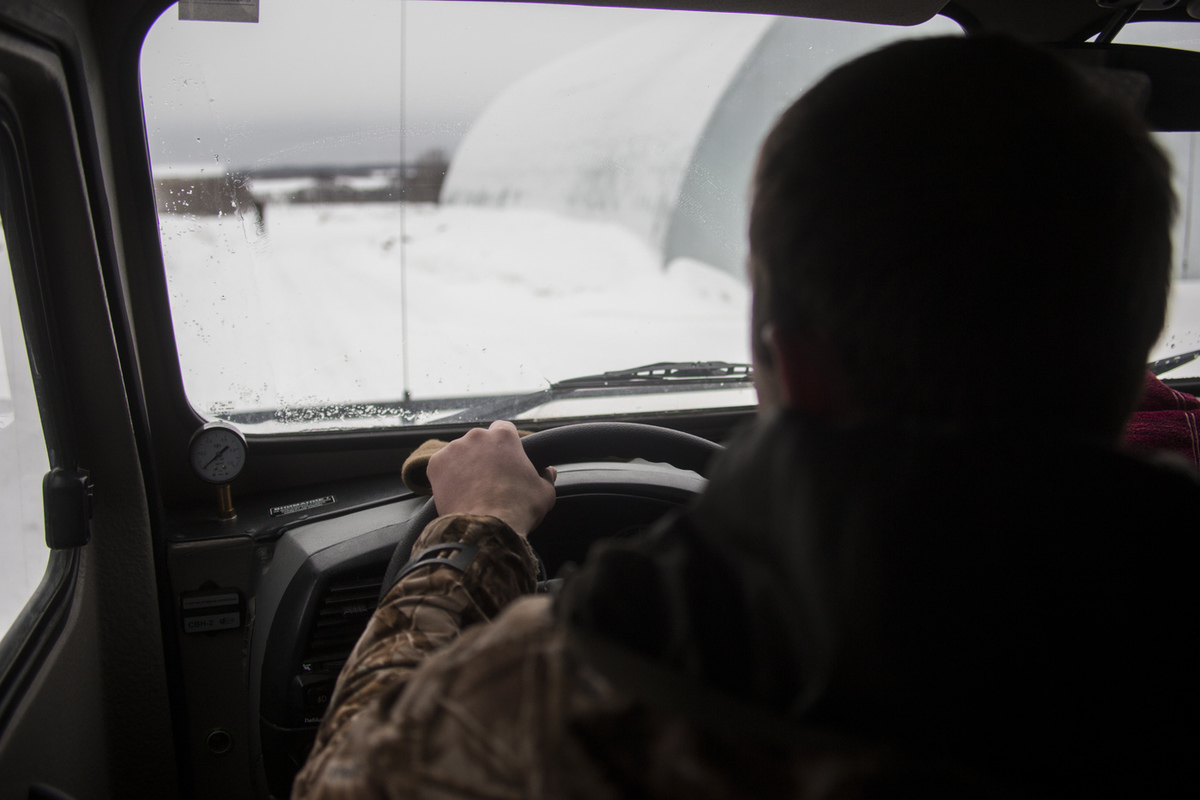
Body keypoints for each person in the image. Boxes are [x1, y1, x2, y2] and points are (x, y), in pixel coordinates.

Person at [293, 35, 1196, 798]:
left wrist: (473, 535)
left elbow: (345, 778)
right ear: (1136, 349)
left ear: (784, 350)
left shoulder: (573, 698)